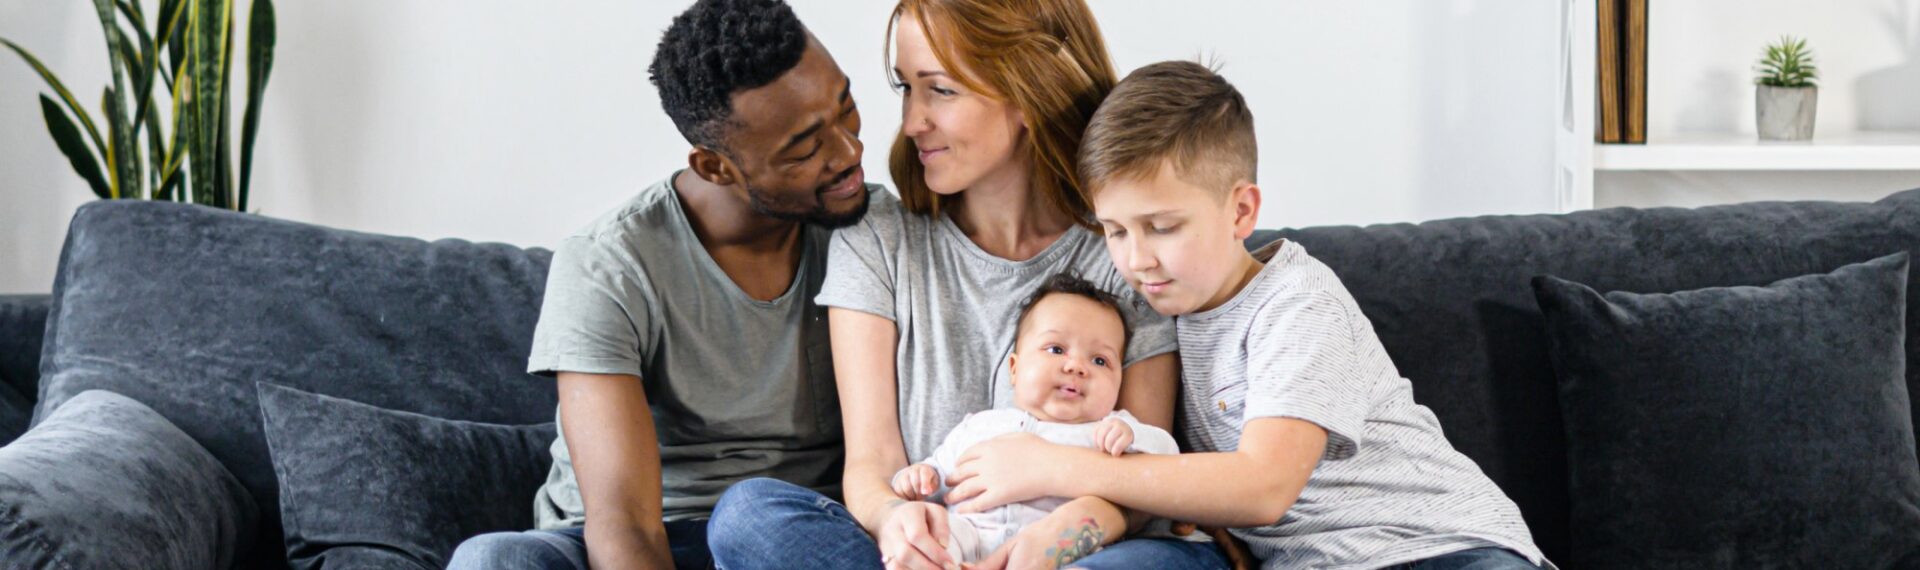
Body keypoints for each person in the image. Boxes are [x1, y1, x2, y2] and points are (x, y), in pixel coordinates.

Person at [941, 60, 1552, 570]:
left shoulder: (1297, 303)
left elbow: (1262, 486)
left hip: (1439, 547)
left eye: (1162, 227)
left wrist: (1050, 465)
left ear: (1240, 212)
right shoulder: (1159, 317)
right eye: (1116, 231)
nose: (1137, 258)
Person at [705, 1, 1227, 569]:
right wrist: (894, 520)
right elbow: (873, 462)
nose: (911, 123)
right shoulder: (878, 240)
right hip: (949, 544)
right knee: (748, 513)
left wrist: (1053, 545)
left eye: (941, 90)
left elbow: (1144, 486)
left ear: (1032, 89)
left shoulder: (1128, 250)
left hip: (1091, 549)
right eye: (906, 88)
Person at [446, 0, 873, 568]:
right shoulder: (609, 265)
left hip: (785, 536)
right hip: (637, 538)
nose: (850, 153)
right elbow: (623, 524)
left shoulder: (874, 238)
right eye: (805, 148)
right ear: (715, 168)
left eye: (846, 108)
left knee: (753, 519)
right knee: (493, 561)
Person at [890, 274, 1191, 563]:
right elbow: (943, 474)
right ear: (1014, 369)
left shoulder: (1109, 429)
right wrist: (921, 476)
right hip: (971, 538)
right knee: (937, 536)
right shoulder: (981, 425)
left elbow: (1166, 460)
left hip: (1061, 548)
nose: (1076, 366)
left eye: (1100, 360)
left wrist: (1133, 435)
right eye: (1056, 349)